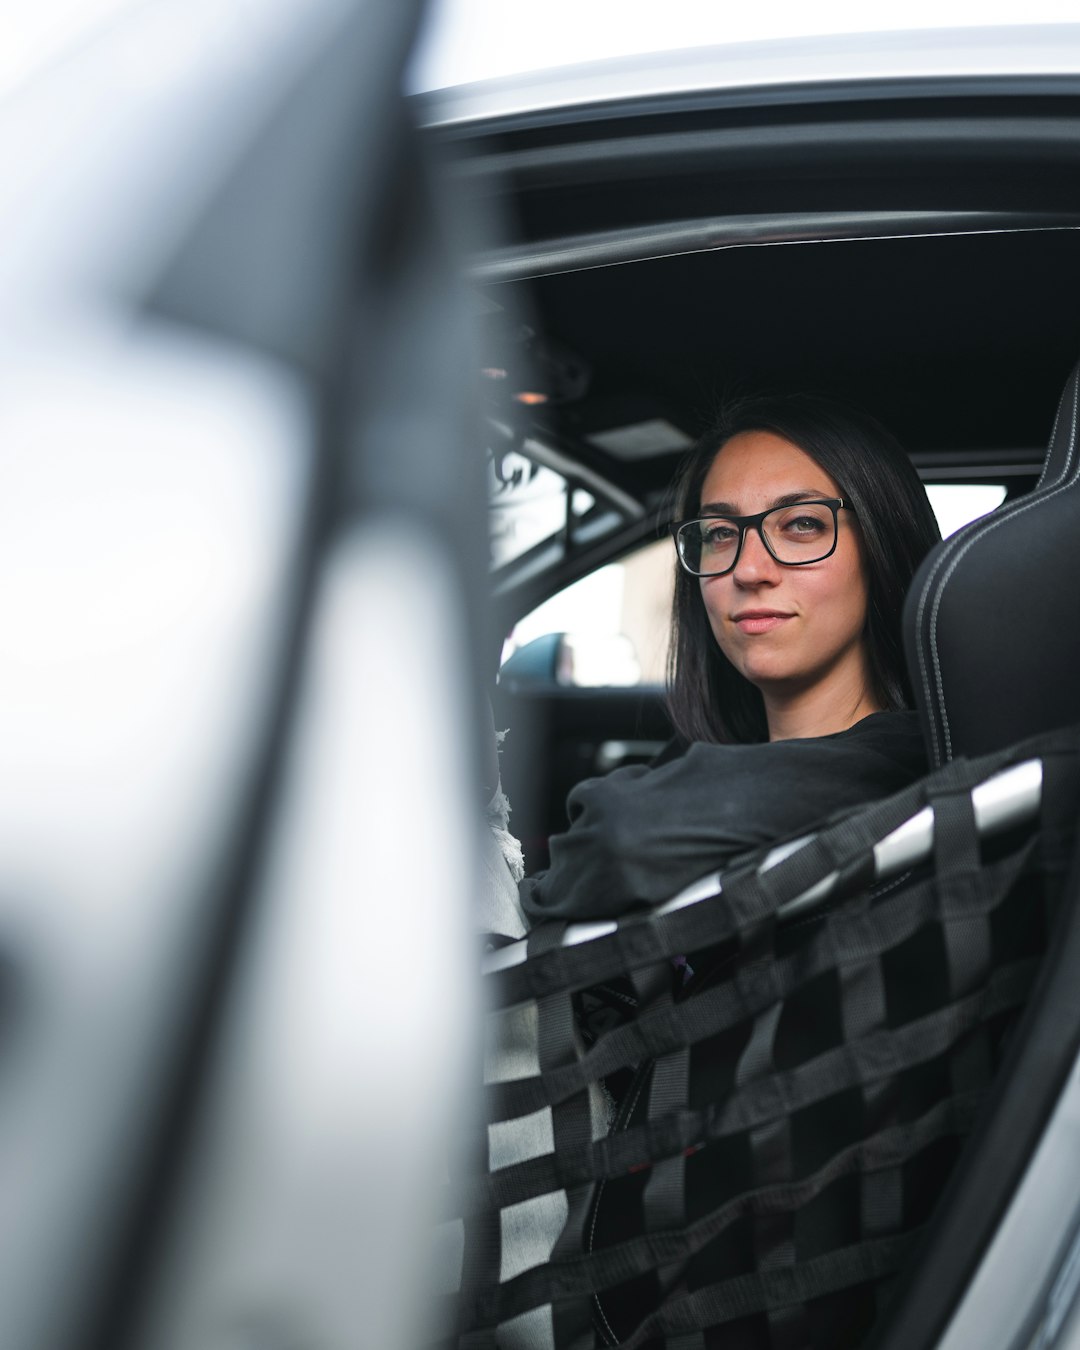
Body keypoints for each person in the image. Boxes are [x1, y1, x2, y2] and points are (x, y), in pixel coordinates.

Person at [521, 392, 942, 923]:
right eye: (721, 534)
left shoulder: (909, 762)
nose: (748, 570)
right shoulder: (706, 756)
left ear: (883, 541)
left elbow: (621, 836)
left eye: (801, 525)